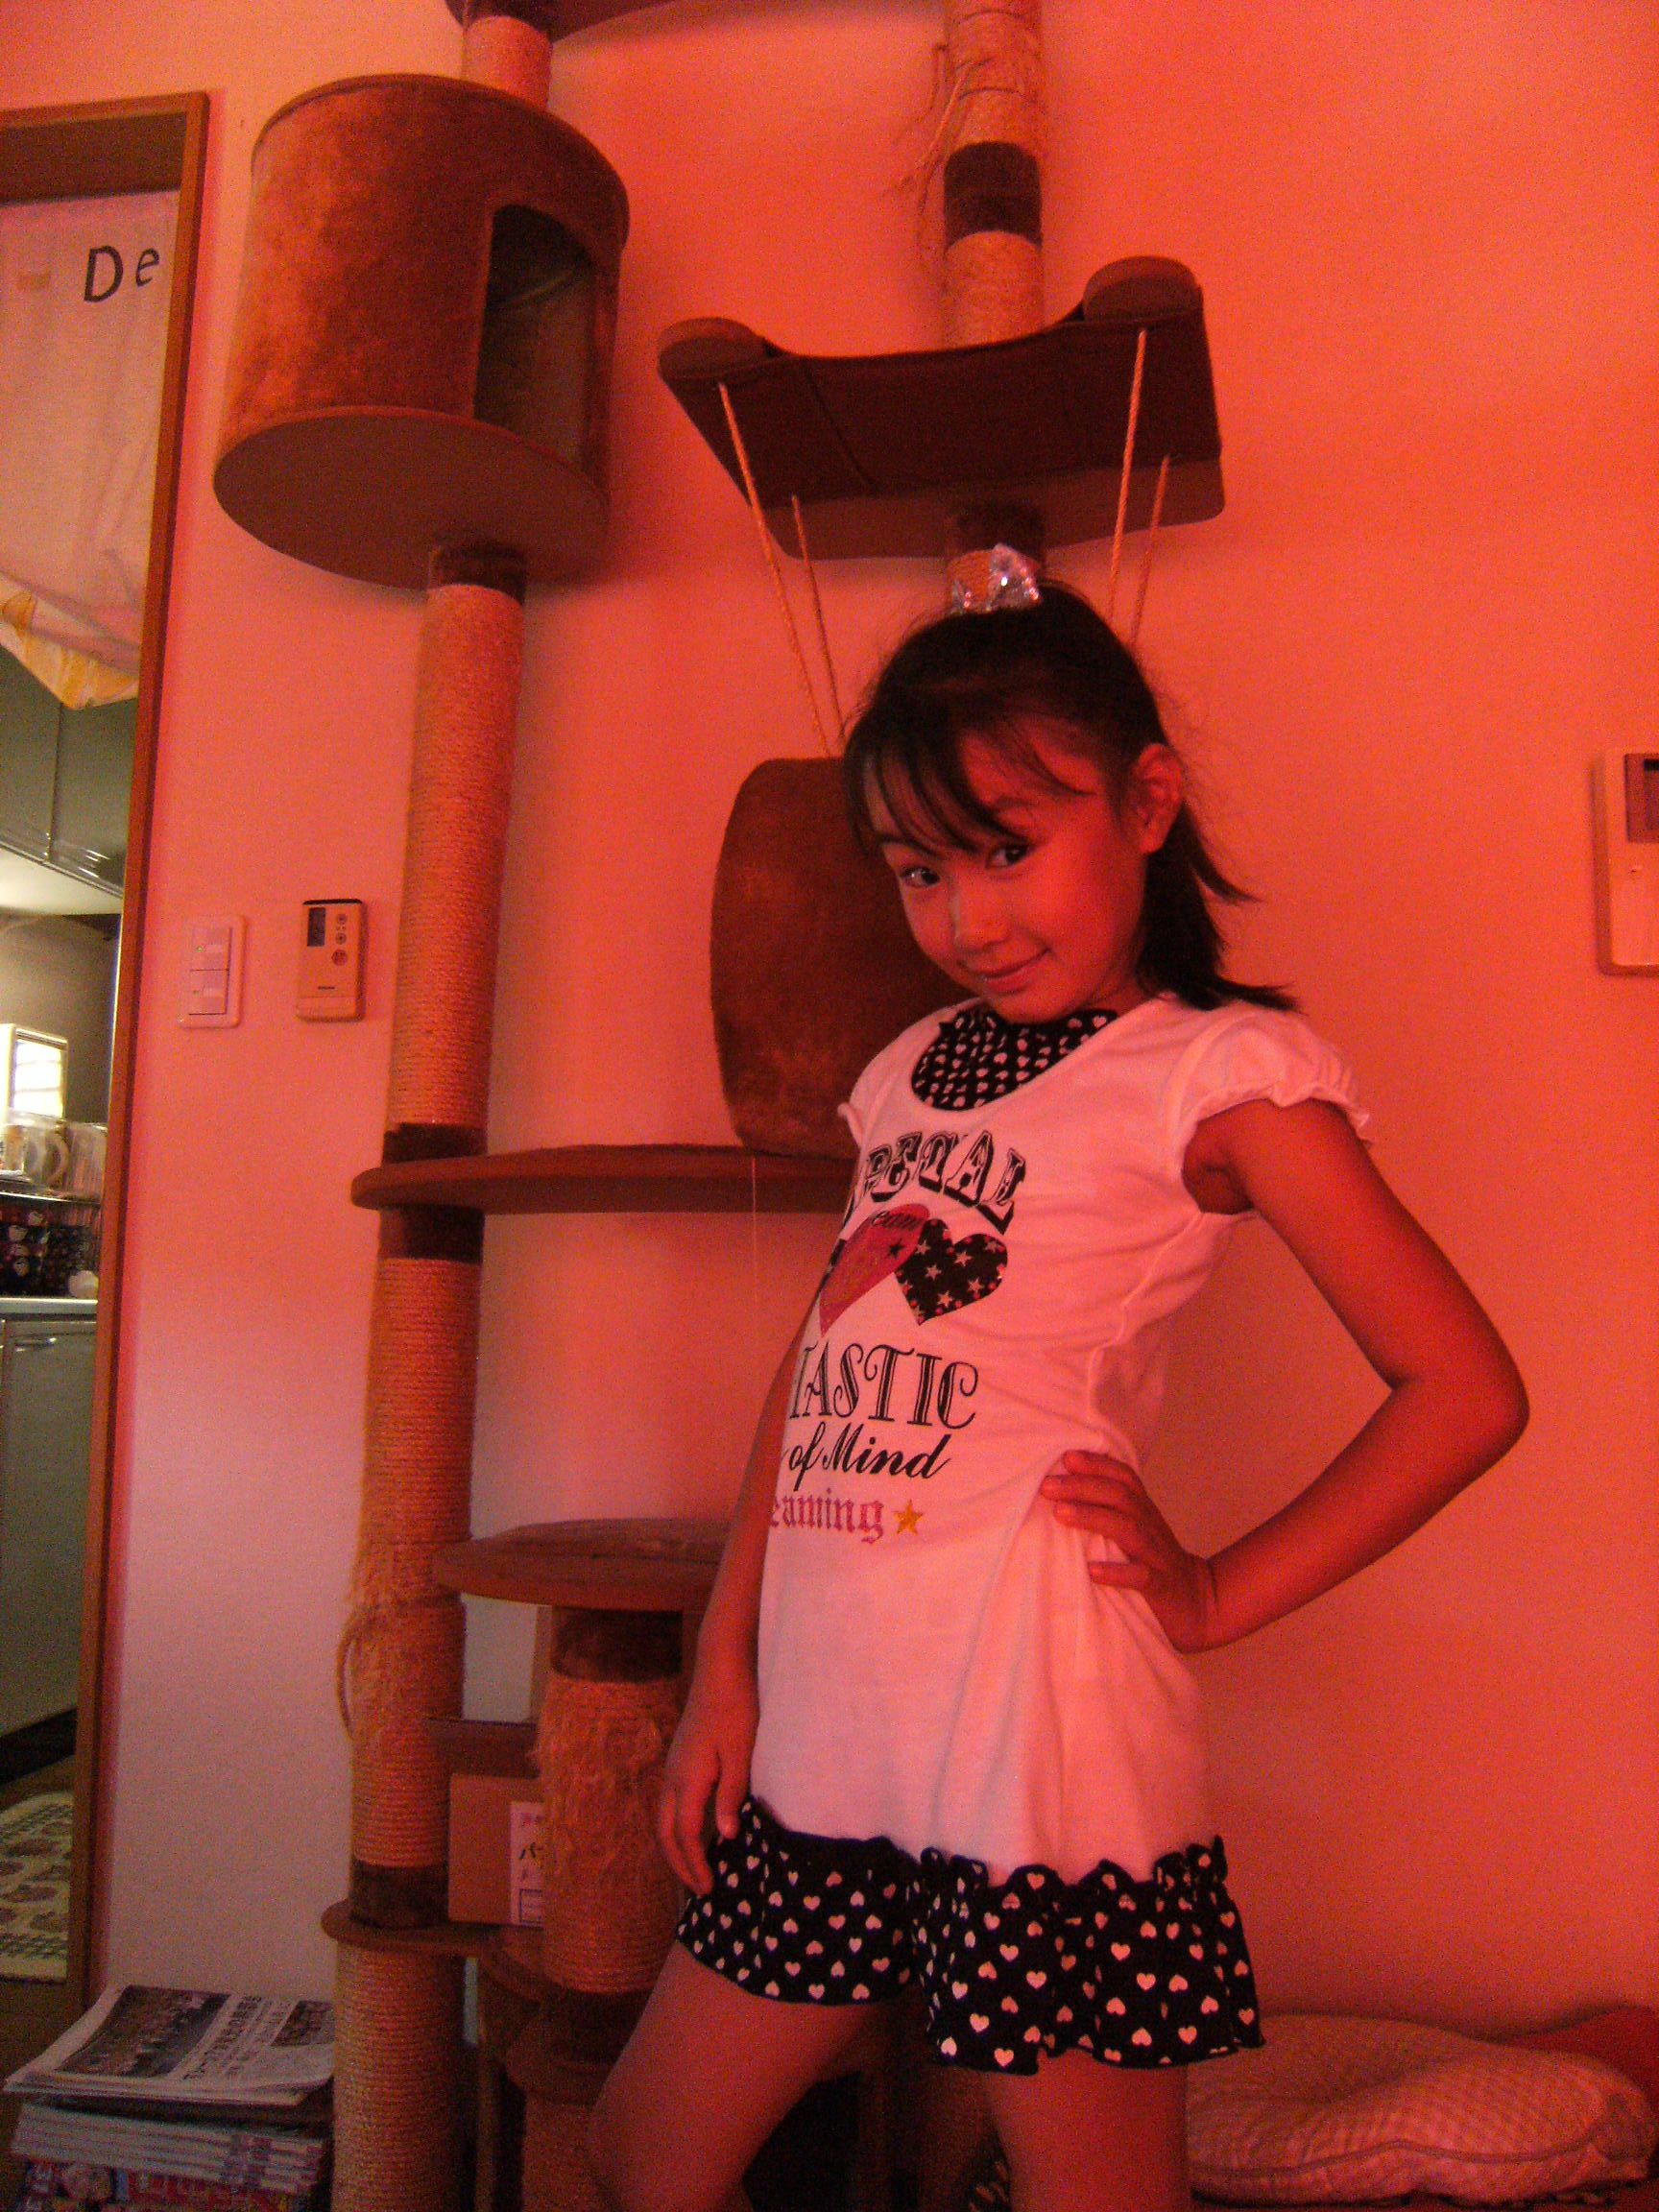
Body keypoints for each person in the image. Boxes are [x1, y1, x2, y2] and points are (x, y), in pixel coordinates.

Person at [589, 575, 1527, 2212]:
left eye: (1007, 848)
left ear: (1146, 804)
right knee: (640, 2155)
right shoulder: (903, 1078)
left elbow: (1464, 1389)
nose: (967, 918)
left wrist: (1217, 1590)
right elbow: (820, 1364)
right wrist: (726, 1667)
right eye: (919, 871)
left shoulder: (1217, 1077)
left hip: (1039, 1731)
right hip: (831, 1717)